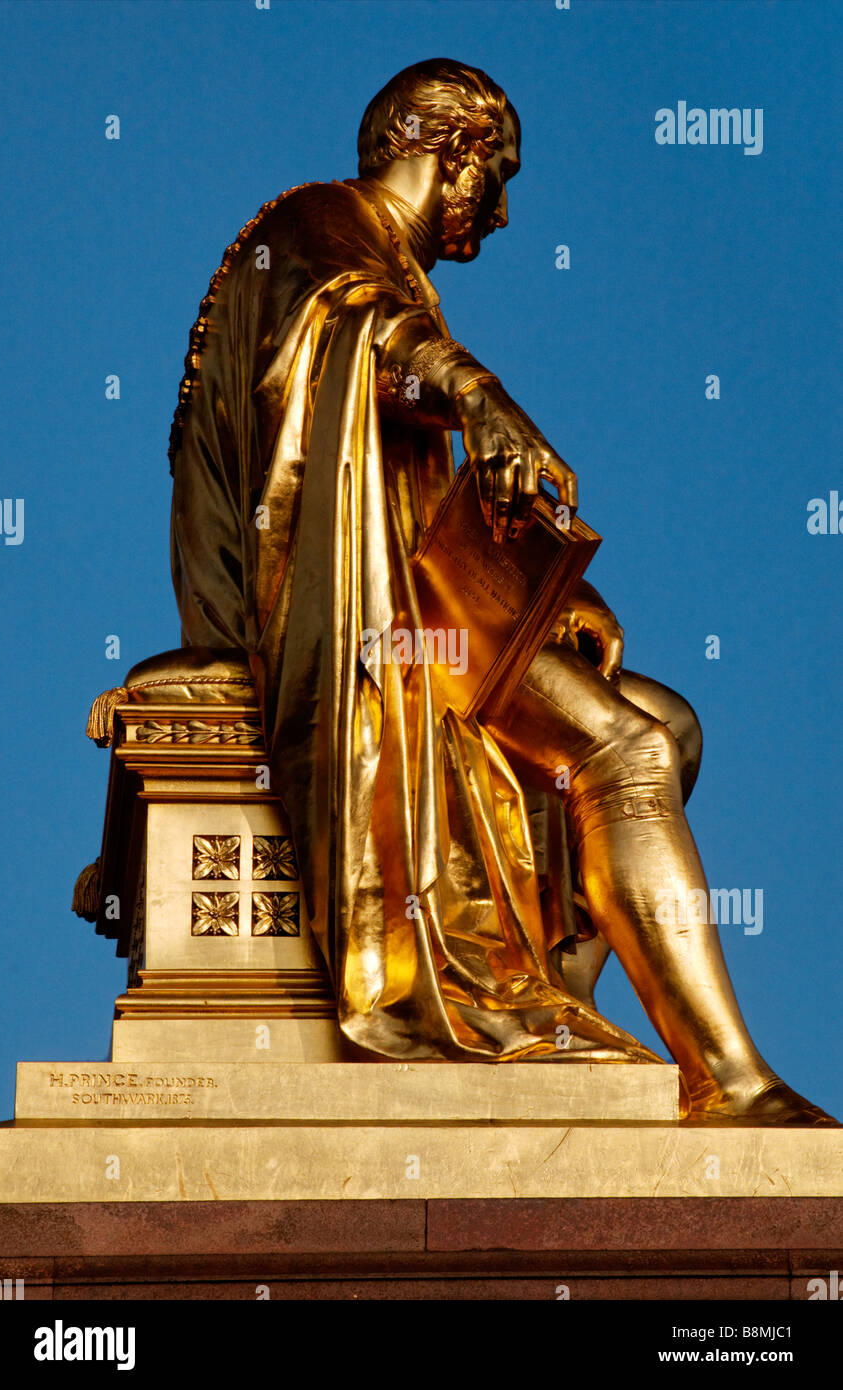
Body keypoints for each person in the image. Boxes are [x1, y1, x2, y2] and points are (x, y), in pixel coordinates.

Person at [169, 58, 834, 1124]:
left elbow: (404, 497)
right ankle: (731, 1083)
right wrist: (479, 395)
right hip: (353, 636)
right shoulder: (317, 224)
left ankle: (556, 1015)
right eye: (499, 172)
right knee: (627, 750)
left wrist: (536, 592)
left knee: (670, 722)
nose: (503, 210)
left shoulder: (371, 263)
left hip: (409, 613)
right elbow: (357, 334)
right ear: (445, 147)